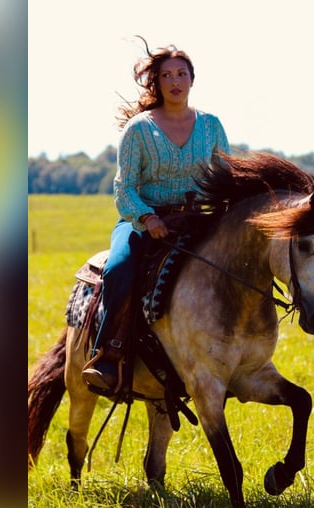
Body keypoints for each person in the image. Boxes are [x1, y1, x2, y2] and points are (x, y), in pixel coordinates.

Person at [83, 38, 231, 394]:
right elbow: (124, 187)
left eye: (182, 73)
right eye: (167, 75)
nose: (176, 81)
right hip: (142, 222)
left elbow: (227, 174)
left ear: (192, 80)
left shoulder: (211, 126)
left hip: (197, 219)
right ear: (157, 82)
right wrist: (149, 219)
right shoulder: (139, 129)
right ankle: (107, 355)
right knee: (119, 269)